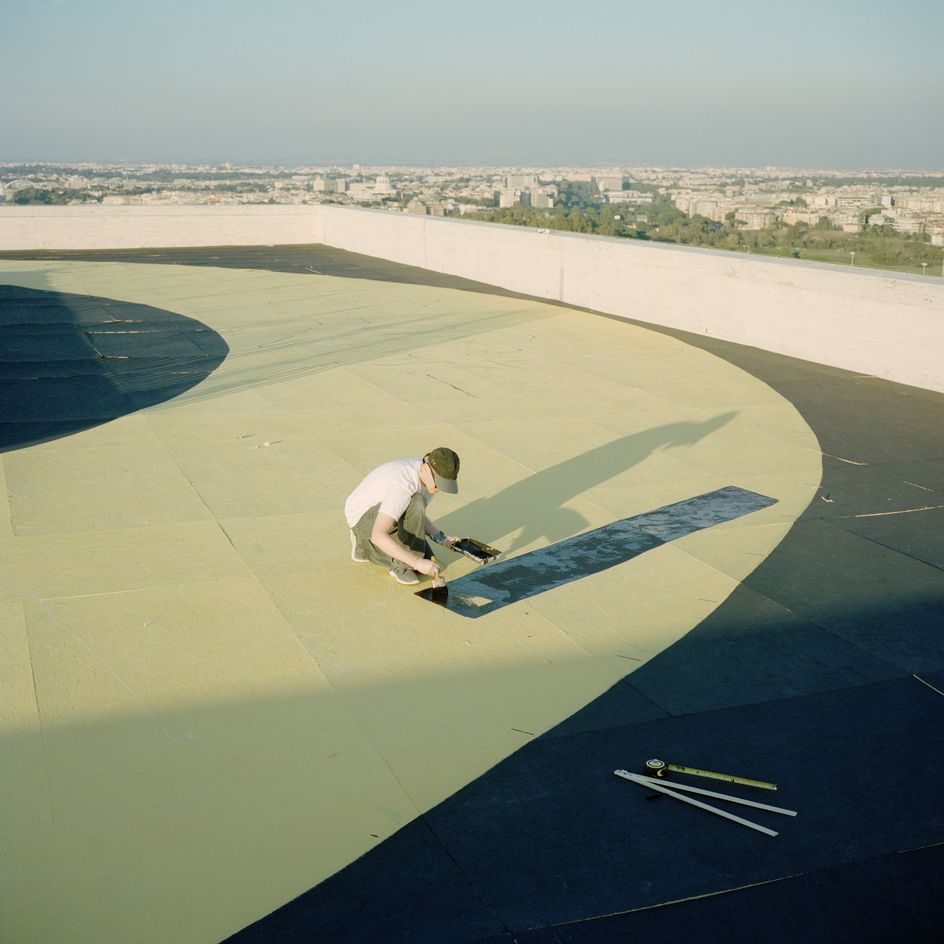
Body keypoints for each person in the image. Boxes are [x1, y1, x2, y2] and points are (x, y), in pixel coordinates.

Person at [344, 447, 461, 585]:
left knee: (427, 558)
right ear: (425, 469)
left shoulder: (427, 478)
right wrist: (416, 562)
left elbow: (416, 514)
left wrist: (441, 538)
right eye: (439, 483)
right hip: (362, 519)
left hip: (385, 513)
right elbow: (378, 535)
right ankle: (365, 547)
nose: (440, 488)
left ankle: (380, 551)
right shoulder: (403, 484)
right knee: (418, 558)